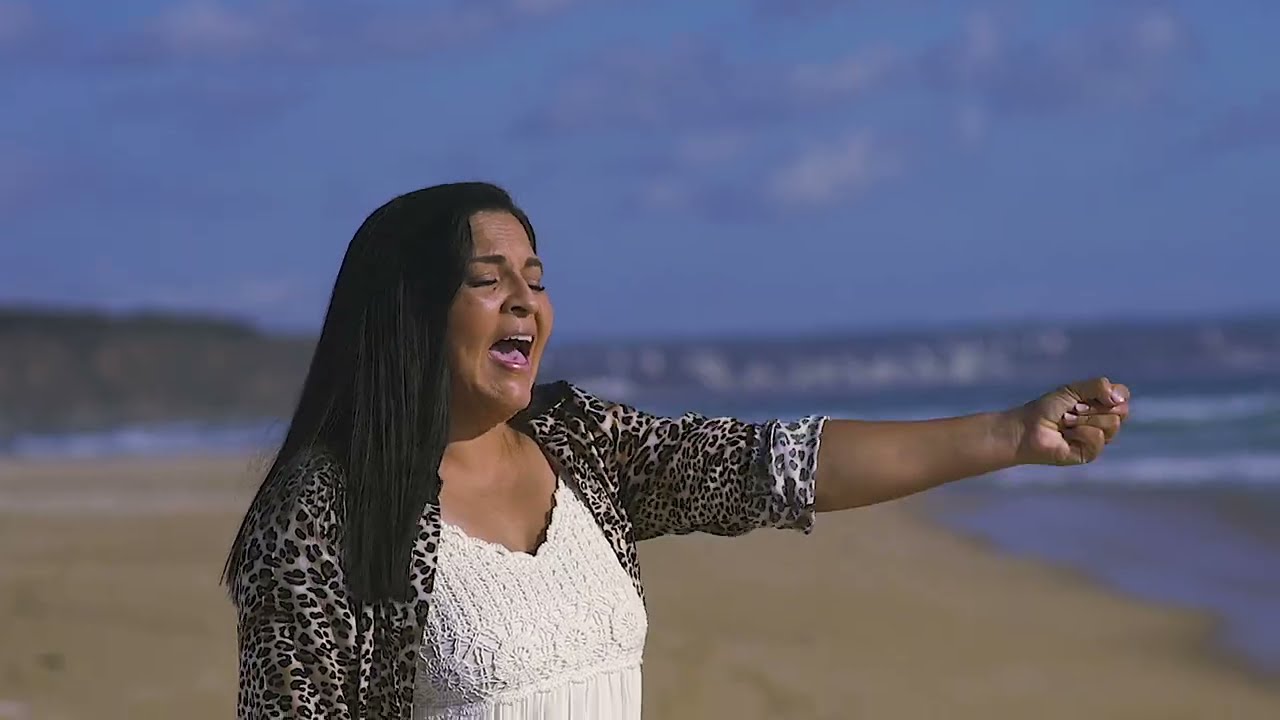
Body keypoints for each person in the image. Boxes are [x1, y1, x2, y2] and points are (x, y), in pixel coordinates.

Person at [223, 181, 1131, 720]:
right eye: (487, 282)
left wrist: (1012, 434)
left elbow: (774, 468)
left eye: (536, 281)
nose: (526, 303)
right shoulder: (322, 513)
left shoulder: (582, 446)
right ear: (408, 313)